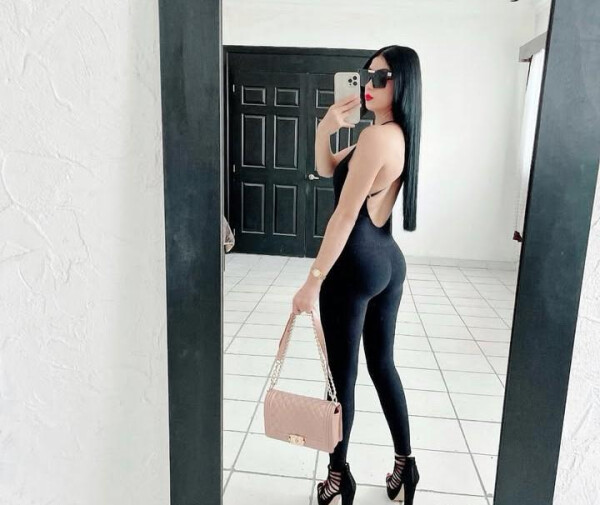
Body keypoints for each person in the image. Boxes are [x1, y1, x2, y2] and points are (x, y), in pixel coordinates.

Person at [292, 45, 422, 505]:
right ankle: (405, 464)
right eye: (367, 75)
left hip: (353, 267)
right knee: (382, 364)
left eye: (380, 77)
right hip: (387, 261)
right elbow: (325, 167)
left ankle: (337, 476)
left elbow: (345, 215)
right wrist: (324, 129)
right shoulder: (394, 135)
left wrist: (313, 280)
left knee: (340, 377)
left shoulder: (375, 140)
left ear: (402, 84)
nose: (369, 84)